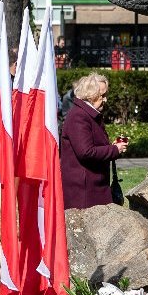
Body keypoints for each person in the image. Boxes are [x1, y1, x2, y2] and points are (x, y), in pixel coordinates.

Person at [61, 73, 128, 208]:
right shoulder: (79, 116)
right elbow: (86, 152)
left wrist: (112, 147)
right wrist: (114, 149)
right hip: (83, 191)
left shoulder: (88, 114)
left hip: (92, 186)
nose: (105, 99)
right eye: (102, 95)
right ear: (91, 95)